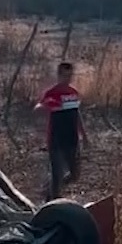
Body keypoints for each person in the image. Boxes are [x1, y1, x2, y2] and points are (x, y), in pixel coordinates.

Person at [34, 61, 89, 200]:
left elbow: (77, 114)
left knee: (75, 174)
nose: (68, 79)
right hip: (56, 139)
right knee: (57, 173)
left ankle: (51, 188)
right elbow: (39, 107)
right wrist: (45, 107)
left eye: (70, 76)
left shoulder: (73, 93)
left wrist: (84, 135)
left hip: (72, 139)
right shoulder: (52, 93)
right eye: (65, 76)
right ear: (59, 76)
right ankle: (52, 200)